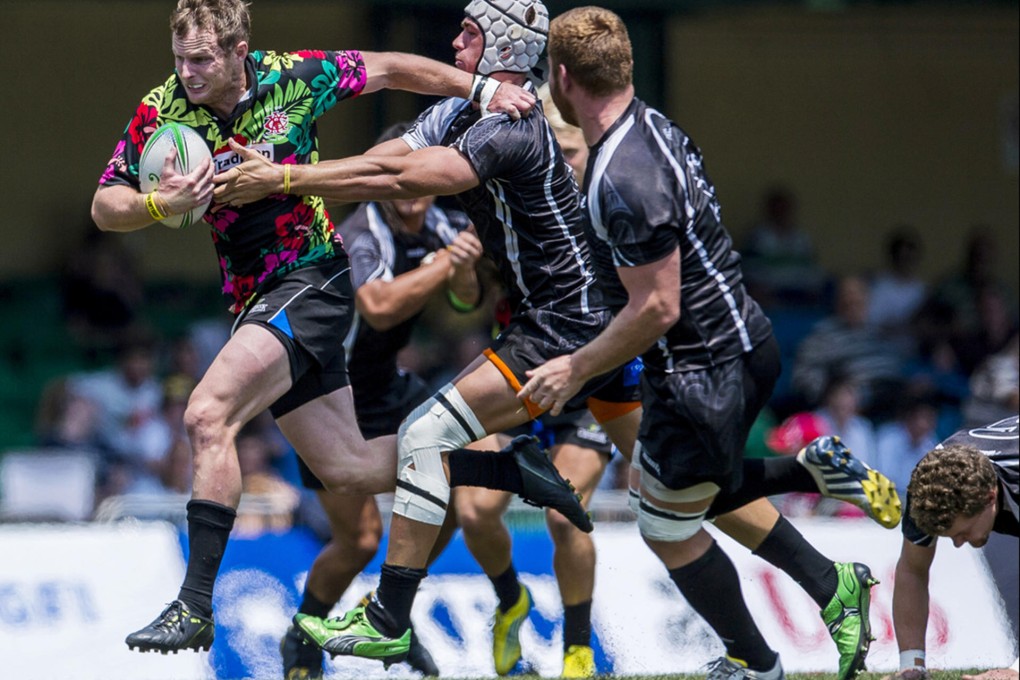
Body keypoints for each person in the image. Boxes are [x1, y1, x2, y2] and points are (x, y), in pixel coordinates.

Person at [91, 0, 559, 656]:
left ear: (238, 49)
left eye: (201, 60)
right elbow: (105, 204)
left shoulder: (294, 76)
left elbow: (394, 68)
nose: (188, 73)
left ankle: (193, 604)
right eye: (180, 59)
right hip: (255, 296)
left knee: (206, 414)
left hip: (311, 275)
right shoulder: (162, 108)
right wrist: (155, 203)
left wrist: (482, 87)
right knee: (352, 468)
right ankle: (505, 462)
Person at [214, 0, 649, 667]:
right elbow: (391, 160)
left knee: (428, 443)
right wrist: (292, 172)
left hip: (568, 322)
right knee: (673, 490)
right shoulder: (460, 112)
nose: (453, 41)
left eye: (468, 34)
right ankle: (820, 562)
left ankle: (401, 614)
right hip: (519, 330)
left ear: (501, 46)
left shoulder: (509, 125)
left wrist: (287, 178)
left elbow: (403, 185)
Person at [518, 7, 897, 679]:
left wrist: (571, 370)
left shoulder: (617, 180)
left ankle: (756, 661)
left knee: (664, 520)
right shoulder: (656, 125)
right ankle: (823, 558)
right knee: (697, 493)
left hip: (700, 370)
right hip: (739, 343)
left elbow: (658, 308)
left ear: (563, 76)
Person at [279, 121, 481, 679]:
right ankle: (301, 639)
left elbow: (467, 302)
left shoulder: (444, 222)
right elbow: (378, 307)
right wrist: (446, 264)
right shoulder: (360, 232)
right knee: (361, 538)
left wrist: (460, 270)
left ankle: (390, 613)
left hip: (387, 383)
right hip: (327, 395)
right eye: (404, 173)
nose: (415, 186)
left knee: (460, 492)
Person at [885, 415, 1019, 680]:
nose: (958, 544)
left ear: (990, 497)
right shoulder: (931, 482)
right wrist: (912, 667)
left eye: (962, 532)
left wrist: (1014, 671)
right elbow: (913, 569)